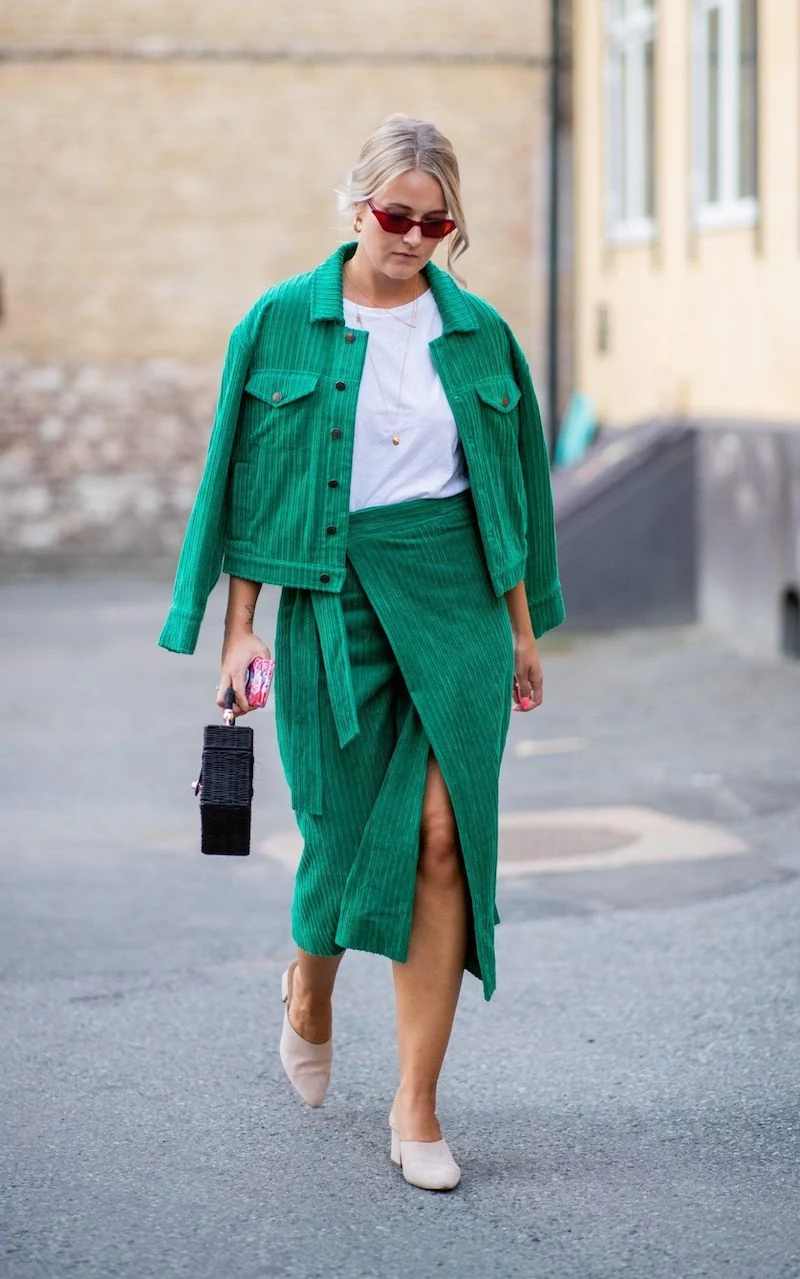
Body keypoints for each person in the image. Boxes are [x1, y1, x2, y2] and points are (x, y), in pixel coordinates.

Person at [159, 113, 564, 1192]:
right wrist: (238, 624)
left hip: (458, 604)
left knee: (443, 839)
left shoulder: (478, 336)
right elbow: (249, 483)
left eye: (437, 222)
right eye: (397, 214)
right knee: (337, 841)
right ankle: (307, 983)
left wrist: (521, 632)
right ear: (357, 206)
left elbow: (510, 492)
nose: (415, 235)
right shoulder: (282, 322)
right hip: (333, 603)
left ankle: (416, 1103)